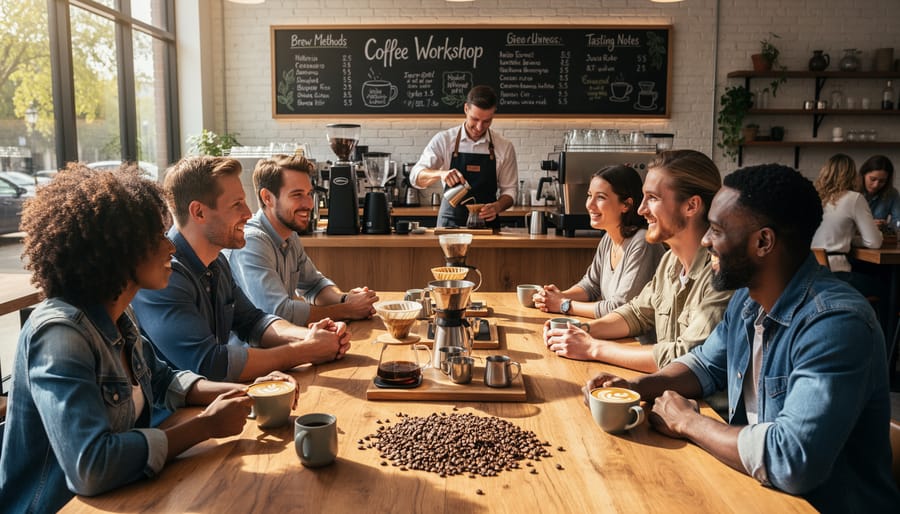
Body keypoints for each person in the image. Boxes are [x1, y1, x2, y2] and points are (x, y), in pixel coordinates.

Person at [584, 164, 900, 511]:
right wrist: (635, 388)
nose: (705, 240)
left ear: (763, 242)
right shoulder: (747, 302)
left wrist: (688, 422)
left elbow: (791, 458)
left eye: (717, 230)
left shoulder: (835, 324)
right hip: (754, 492)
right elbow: (704, 365)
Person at [0, 164, 294, 512]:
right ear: (117, 249)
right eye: (157, 237)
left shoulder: (118, 317)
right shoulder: (59, 334)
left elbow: (164, 378)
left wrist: (250, 391)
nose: (170, 247)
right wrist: (205, 426)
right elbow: (90, 467)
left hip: (129, 496)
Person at [132, 156, 351, 383]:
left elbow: (253, 322)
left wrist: (312, 337)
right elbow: (210, 364)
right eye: (237, 204)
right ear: (198, 212)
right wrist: (306, 351)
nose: (248, 212)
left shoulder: (217, 263)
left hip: (216, 401)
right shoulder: (164, 276)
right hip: (176, 416)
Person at [543, 150, 734, 373]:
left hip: (701, 406)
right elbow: (636, 313)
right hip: (667, 393)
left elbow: (686, 356)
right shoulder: (670, 262)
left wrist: (593, 348)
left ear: (691, 206)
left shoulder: (721, 274)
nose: (641, 209)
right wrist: (581, 330)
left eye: (652, 198)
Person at [228, 154, 378, 325]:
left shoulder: (289, 234)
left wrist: (345, 298)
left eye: (309, 194)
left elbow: (314, 285)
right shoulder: (251, 242)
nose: (309, 204)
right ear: (267, 198)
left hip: (283, 344)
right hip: (254, 350)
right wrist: (348, 310)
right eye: (297, 195)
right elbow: (278, 312)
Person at [533, 165, 665, 318]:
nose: (590, 204)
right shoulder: (608, 238)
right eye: (590, 195)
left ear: (626, 204)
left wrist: (564, 305)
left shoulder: (642, 243)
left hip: (637, 341)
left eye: (600, 197)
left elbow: (620, 308)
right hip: (614, 336)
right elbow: (590, 286)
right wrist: (556, 296)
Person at [410, 85, 518, 228]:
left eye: (487, 121)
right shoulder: (444, 140)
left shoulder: (504, 147)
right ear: (466, 109)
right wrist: (441, 174)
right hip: (449, 224)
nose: (479, 127)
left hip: (487, 225)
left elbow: (510, 190)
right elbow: (415, 177)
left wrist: (497, 207)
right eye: (475, 119)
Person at [810, 154, 882, 298]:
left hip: (808, 273)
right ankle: (886, 321)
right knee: (886, 285)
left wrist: (851, 239)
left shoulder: (812, 196)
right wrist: (877, 233)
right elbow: (874, 242)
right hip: (836, 274)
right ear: (852, 175)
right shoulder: (854, 198)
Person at [859, 154, 900, 228]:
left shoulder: (892, 193)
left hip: (880, 237)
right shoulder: (851, 191)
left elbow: (898, 221)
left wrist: (887, 225)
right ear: (863, 174)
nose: (876, 185)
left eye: (882, 181)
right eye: (872, 179)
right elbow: (841, 223)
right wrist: (867, 225)